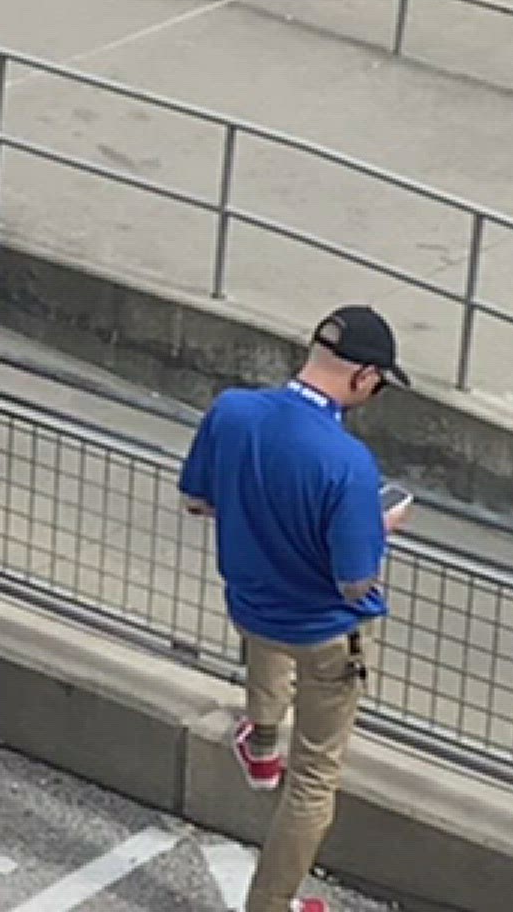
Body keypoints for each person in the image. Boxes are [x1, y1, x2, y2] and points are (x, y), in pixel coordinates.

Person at [176, 304, 414, 912]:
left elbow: (197, 502)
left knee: (266, 672)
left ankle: (260, 746)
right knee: (312, 780)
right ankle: (270, 906)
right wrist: (377, 526)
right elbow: (355, 581)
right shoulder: (348, 464)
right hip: (324, 635)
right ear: (363, 377)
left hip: (252, 606)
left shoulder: (231, 411)